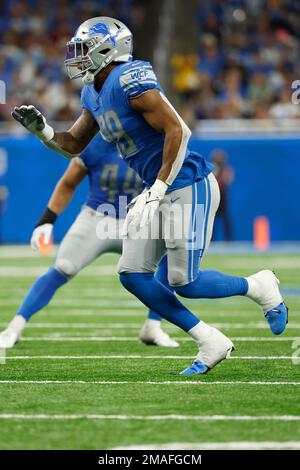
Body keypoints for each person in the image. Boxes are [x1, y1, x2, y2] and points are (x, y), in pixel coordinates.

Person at [11, 17, 288, 375]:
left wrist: (157, 188)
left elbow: (179, 130)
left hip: (188, 183)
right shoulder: (91, 91)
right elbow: (75, 143)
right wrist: (45, 132)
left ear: (108, 50)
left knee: (184, 281)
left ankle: (259, 285)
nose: (76, 58)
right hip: (157, 188)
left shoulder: (130, 79)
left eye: (83, 49)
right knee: (132, 273)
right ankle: (210, 340)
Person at [0, 134, 178, 349]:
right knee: (62, 267)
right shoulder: (95, 144)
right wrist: (46, 221)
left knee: (172, 251)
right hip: (97, 216)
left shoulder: (152, 141)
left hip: (137, 218)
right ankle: (14, 327)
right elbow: (68, 183)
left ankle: (153, 325)